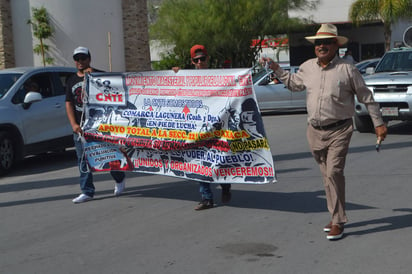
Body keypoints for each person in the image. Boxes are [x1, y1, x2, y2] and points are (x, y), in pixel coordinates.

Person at [261, 24, 387, 240]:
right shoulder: (307, 67)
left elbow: (366, 97)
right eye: (318, 43)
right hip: (314, 131)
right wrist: (275, 68)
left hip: (340, 130)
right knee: (326, 177)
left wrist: (378, 123)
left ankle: (338, 220)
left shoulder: (347, 70)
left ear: (336, 45)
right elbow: (294, 84)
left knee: (334, 173)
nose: (321, 46)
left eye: (326, 42)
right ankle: (335, 215)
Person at [174, 45, 232, 210]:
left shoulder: (219, 76)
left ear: (207, 59)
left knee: (220, 159)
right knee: (200, 161)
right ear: (192, 62)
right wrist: (175, 74)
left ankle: (226, 185)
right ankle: (206, 197)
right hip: (197, 128)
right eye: (196, 60)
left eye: (202, 59)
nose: (200, 62)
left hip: (218, 127)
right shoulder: (187, 77)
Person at [65, 46, 126, 203]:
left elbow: (115, 93)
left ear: (89, 59)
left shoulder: (100, 75)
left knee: (108, 154)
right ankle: (87, 191)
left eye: (83, 58)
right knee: (83, 159)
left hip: (100, 126)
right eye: (77, 59)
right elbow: (69, 103)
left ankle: (119, 178)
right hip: (81, 128)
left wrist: (94, 78)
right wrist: (73, 124)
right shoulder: (71, 80)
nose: (80, 61)